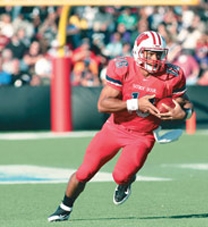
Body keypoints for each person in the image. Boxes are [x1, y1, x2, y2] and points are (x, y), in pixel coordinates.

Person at [47, 31, 194, 222]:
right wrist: (135, 104)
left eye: (158, 54)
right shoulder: (122, 67)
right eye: (149, 53)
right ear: (138, 51)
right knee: (84, 172)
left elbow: (186, 103)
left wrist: (184, 113)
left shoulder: (172, 75)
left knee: (121, 176)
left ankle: (126, 182)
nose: (155, 58)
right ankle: (64, 207)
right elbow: (102, 105)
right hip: (115, 128)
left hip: (143, 135)